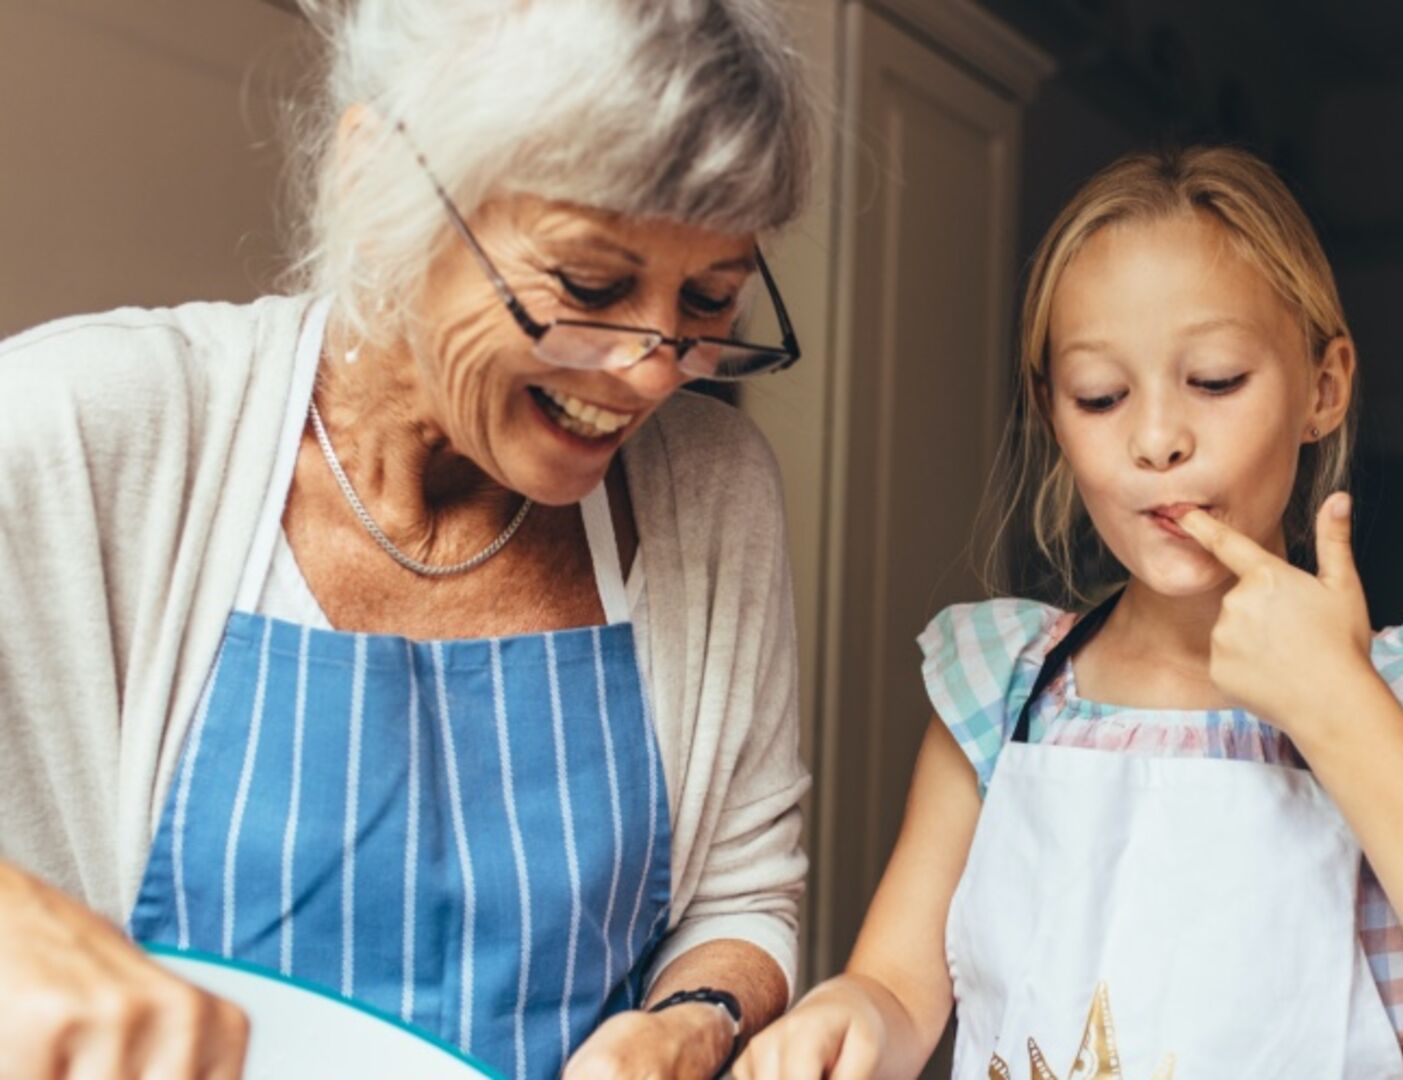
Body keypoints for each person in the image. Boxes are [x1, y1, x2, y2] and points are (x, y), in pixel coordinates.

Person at [0, 1, 815, 1076]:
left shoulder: (716, 492)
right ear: (378, 188)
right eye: (591, 285)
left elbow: (745, 890)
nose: (654, 368)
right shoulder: (83, 426)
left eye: (709, 300)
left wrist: (692, 1021)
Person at [737, 146, 1403, 1078]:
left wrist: (1337, 704)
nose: (1156, 440)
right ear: (1050, 412)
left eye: (1215, 380)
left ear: (1323, 388)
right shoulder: (1002, 686)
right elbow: (902, 991)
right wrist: (853, 1013)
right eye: (1100, 396)